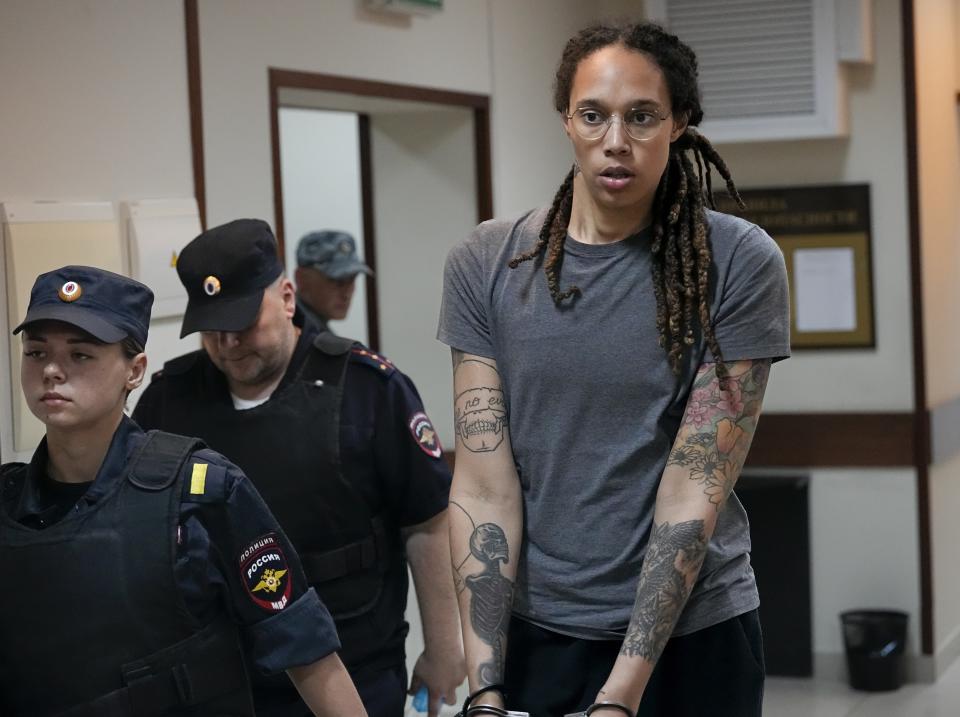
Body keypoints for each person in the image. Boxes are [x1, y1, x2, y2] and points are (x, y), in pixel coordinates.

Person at [437, 21, 790, 717]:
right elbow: (483, 483)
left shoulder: (740, 262)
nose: (615, 140)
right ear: (567, 119)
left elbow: (696, 486)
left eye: (642, 116)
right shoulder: (486, 262)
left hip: (692, 635)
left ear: (680, 123)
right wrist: (484, 685)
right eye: (593, 114)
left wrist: (618, 699)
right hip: (540, 633)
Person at [0, 265, 365, 717]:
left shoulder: (203, 490)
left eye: (81, 355)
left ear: (134, 371)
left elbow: (303, 644)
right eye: (36, 353)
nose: (52, 371)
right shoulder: (8, 503)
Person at [134, 219, 464, 717]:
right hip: (221, 676)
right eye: (211, 330)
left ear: (287, 297)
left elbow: (427, 521)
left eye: (243, 323)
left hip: (354, 665)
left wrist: (443, 649)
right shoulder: (168, 399)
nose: (227, 345)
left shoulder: (368, 389)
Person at [294, 230, 372, 333]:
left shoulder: (311, 330)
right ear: (301, 279)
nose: (346, 294)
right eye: (338, 281)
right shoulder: (295, 334)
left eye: (352, 279)